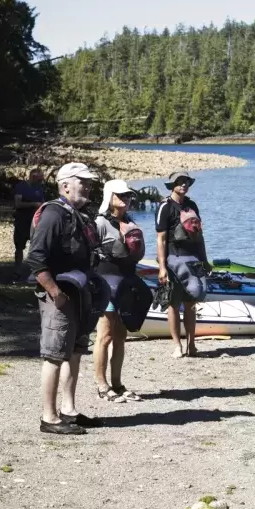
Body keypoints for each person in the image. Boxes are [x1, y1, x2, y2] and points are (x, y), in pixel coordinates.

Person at [25, 162, 103, 435]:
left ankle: (68, 410)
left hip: (78, 293)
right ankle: (49, 417)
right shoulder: (54, 214)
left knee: (75, 351)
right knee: (54, 354)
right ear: (65, 184)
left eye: (89, 181)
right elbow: (35, 257)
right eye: (83, 181)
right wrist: (55, 292)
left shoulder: (78, 214)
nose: (88, 186)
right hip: (58, 295)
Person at [93, 179, 146, 402]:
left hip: (126, 283)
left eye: (127, 196)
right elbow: (90, 253)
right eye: (120, 195)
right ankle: (101, 385)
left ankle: (117, 383)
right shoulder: (100, 223)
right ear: (109, 197)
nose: (125, 199)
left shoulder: (130, 222)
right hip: (106, 283)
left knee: (120, 336)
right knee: (104, 335)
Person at [155, 170, 209, 358]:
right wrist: (162, 267)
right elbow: (161, 239)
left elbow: (199, 235)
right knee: (173, 304)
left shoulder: (192, 205)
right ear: (172, 185)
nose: (184, 185)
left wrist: (205, 260)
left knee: (191, 303)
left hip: (192, 260)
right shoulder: (165, 207)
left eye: (186, 182)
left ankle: (192, 345)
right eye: (180, 182)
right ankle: (177, 345)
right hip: (173, 261)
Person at [13, 168, 46, 279]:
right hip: (22, 221)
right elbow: (17, 204)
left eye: (41, 180)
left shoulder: (40, 188)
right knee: (19, 246)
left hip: (36, 222)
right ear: (32, 177)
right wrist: (34, 204)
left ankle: (34, 270)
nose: (40, 182)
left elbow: (41, 203)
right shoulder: (21, 187)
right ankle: (17, 270)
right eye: (38, 180)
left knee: (35, 246)